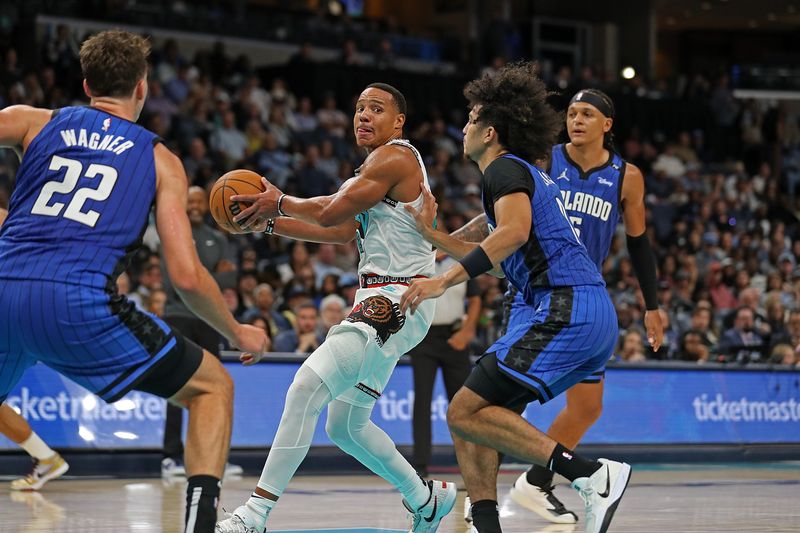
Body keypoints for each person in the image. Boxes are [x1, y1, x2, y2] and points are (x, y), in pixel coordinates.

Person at [0, 30, 268, 533]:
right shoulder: (160, 159)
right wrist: (238, 330)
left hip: (2, 288)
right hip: (74, 302)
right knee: (212, 388)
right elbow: (186, 277)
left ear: (85, 85)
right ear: (142, 89)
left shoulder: (34, 122)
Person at [214, 83, 456, 533]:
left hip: (397, 299)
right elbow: (341, 232)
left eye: (376, 109)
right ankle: (426, 498)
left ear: (398, 122)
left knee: (305, 386)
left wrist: (278, 201)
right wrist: (270, 222)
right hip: (385, 300)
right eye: (359, 108)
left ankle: (256, 514)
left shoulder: (396, 157)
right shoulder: (370, 169)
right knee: (345, 426)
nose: (363, 116)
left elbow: (327, 212)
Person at [400, 62, 631, 533]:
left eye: (470, 120)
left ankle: (590, 475)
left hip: (567, 308)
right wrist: (431, 236)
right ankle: (489, 525)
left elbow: (511, 233)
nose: (463, 128)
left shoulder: (503, 169)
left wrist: (441, 282)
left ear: (490, 132)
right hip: (581, 312)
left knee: (463, 411)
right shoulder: (521, 173)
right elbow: (499, 247)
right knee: (473, 417)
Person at [159, 186, 243, 479]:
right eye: (190, 201)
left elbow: (230, 277)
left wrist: (197, 274)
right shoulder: (170, 232)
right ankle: (171, 458)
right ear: (184, 203)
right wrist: (207, 275)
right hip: (178, 317)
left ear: (205, 205)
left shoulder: (217, 238)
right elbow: (175, 283)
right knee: (175, 387)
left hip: (209, 319)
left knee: (215, 388)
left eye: (198, 201)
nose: (194, 206)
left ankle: (216, 460)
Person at [408, 248, 482, 477]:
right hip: (423, 338)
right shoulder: (416, 261)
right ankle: (420, 467)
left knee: (462, 404)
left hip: (455, 337)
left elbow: (475, 298)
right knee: (422, 401)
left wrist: (468, 330)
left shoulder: (461, 260)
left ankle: (472, 466)